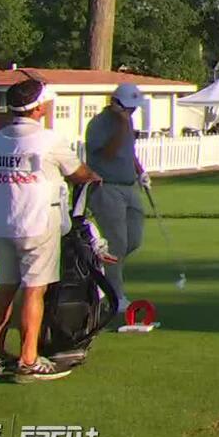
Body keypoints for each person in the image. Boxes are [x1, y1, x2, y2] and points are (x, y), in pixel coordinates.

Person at [0, 79, 108, 382]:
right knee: (35, 291)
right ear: (37, 108)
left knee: (6, 287)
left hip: (4, 222)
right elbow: (78, 173)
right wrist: (94, 177)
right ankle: (28, 358)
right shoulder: (49, 140)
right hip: (38, 223)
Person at [85, 83, 149, 312]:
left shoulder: (127, 120)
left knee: (134, 240)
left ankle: (99, 269)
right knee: (117, 243)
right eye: (128, 109)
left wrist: (141, 171)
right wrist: (122, 125)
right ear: (115, 104)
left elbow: (128, 152)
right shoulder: (99, 124)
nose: (132, 112)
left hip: (129, 185)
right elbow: (108, 153)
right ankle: (115, 297)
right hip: (106, 187)